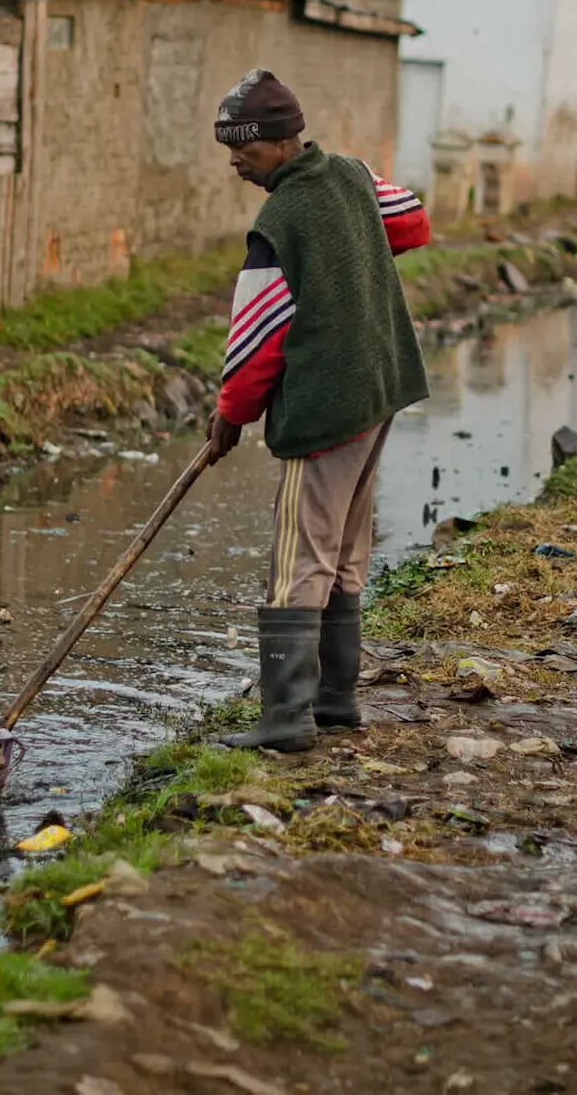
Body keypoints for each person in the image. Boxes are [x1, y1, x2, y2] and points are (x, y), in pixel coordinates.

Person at [207, 68, 430, 752]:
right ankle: (336, 702)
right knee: (344, 548)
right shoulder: (355, 175)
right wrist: (349, 259)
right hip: (379, 389)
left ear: (277, 143)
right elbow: (413, 223)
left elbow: (256, 349)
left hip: (328, 407)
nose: (235, 163)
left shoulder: (278, 222)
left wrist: (228, 418)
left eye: (242, 149)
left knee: (298, 558)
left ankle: (285, 721)